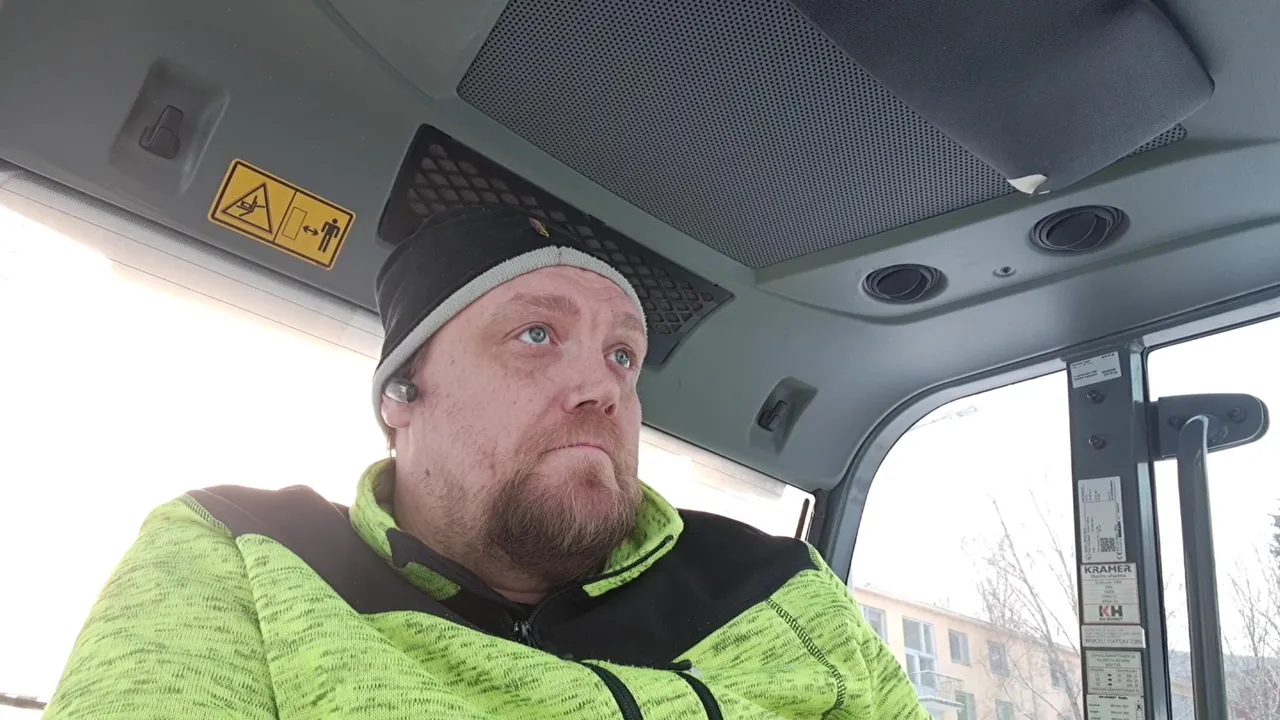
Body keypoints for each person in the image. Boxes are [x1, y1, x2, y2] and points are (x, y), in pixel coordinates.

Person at [44, 205, 929, 719]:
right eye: (536, 335)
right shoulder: (239, 551)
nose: (603, 387)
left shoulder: (777, 587)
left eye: (622, 355)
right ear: (402, 396)